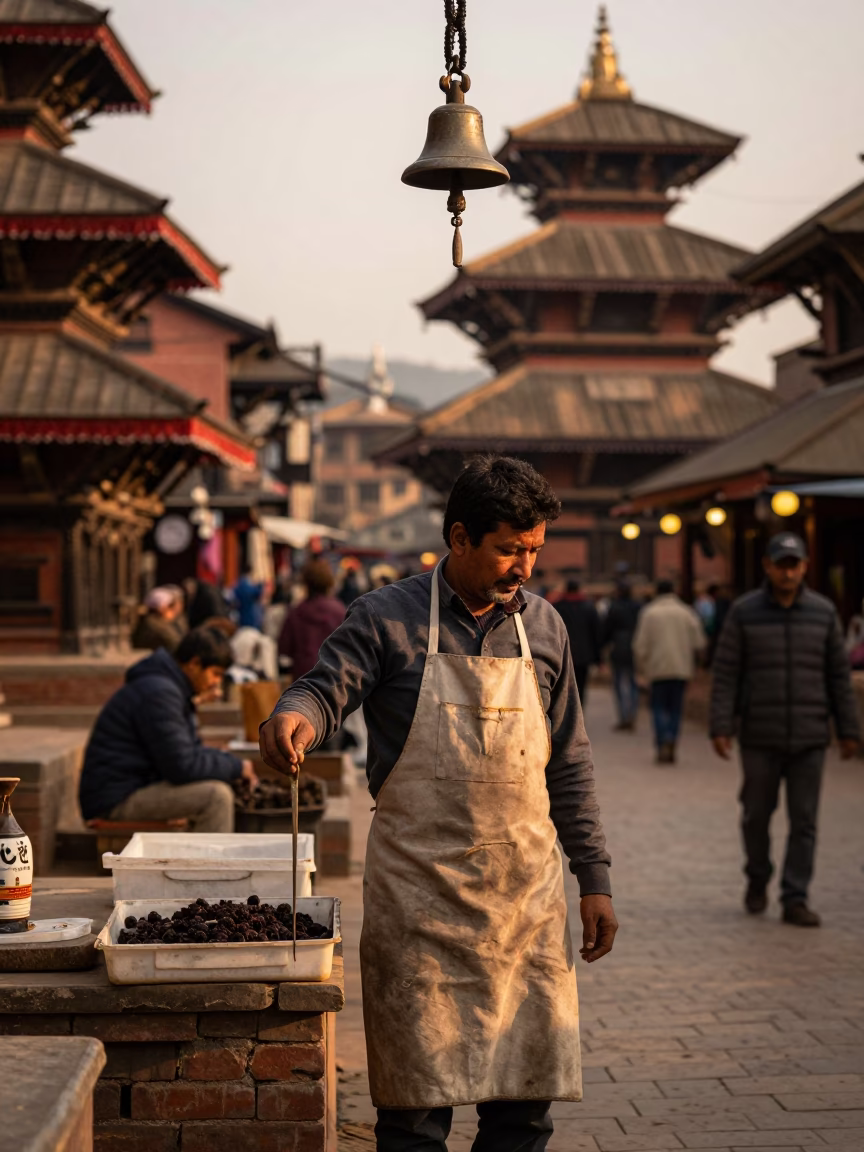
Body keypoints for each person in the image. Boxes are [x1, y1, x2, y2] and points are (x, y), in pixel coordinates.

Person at [260, 454, 617, 1152]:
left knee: (523, 1104)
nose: (525, 567)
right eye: (510, 549)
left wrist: (594, 878)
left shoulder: (545, 629)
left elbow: (569, 761)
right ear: (459, 539)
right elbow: (325, 686)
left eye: (535, 551)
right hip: (419, 898)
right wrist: (294, 717)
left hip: (524, 898)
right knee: (416, 1110)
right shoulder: (386, 617)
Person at [710, 532, 860, 927]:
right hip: (759, 734)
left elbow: (838, 677)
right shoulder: (744, 612)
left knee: (805, 820)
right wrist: (721, 726)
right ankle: (758, 876)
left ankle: (795, 896)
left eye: (795, 564)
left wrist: (848, 729)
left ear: (805, 567)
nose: (788, 571)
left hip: (810, 737)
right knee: (756, 814)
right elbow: (726, 673)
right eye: (782, 564)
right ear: (768, 566)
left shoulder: (824, 613)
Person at [79, 627, 257, 832]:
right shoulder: (160, 693)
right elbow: (182, 766)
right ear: (194, 664)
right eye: (215, 674)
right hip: (115, 799)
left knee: (217, 782)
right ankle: (210, 864)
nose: (217, 682)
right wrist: (236, 767)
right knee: (215, 797)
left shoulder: (168, 688)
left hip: (132, 787)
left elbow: (188, 751)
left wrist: (227, 761)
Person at [633, 579, 706, 764]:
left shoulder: (649, 613)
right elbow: (699, 642)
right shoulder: (686, 612)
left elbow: (640, 645)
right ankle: (672, 737)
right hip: (681, 668)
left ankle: (662, 740)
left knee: (658, 707)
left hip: (656, 669)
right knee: (676, 707)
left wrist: (641, 668)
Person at [278, 560, 346, 681]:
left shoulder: (296, 612)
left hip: (303, 678)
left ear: (306, 583)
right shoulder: (339, 611)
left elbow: (284, 648)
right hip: (333, 678)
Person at [553, 578, 601, 705]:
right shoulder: (589, 607)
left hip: (563, 653)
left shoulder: (558, 607)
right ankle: (579, 712)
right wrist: (598, 658)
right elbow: (596, 633)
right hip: (584, 654)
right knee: (581, 687)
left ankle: (566, 713)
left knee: (564, 687)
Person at [602, 581, 642, 731]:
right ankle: (632, 713)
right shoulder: (638, 607)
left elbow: (606, 629)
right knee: (632, 681)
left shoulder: (614, 607)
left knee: (619, 683)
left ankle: (624, 715)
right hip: (634, 646)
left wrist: (603, 647)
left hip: (618, 647)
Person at [131, 586, 185, 654]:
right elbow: (177, 646)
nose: (173, 610)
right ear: (162, 608)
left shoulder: (148, 621)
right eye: (171, 605)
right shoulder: (158, 625)